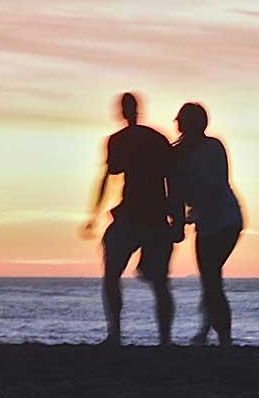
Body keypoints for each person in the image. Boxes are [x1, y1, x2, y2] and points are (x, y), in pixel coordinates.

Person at [82, 92, 177, 346]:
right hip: (146, 215)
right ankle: (153, 338)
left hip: (142, 216)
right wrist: (175, 216)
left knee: (123, 276)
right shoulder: (155, 139)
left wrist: (95, 213)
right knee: (154, 281)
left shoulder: (123, 140)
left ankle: (118, 334)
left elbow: (109, 176)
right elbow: (173, 179)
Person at [172, 102, 244, 347]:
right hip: (207, 221)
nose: (177, 125)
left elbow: (214, 185)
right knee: (210, 279)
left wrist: (186, 217)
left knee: (211, 278)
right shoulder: (180, 152)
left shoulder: (212, 147)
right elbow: (179, 191)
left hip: (224, 220)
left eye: (181, 120)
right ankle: (208, 331)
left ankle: (222, 336)